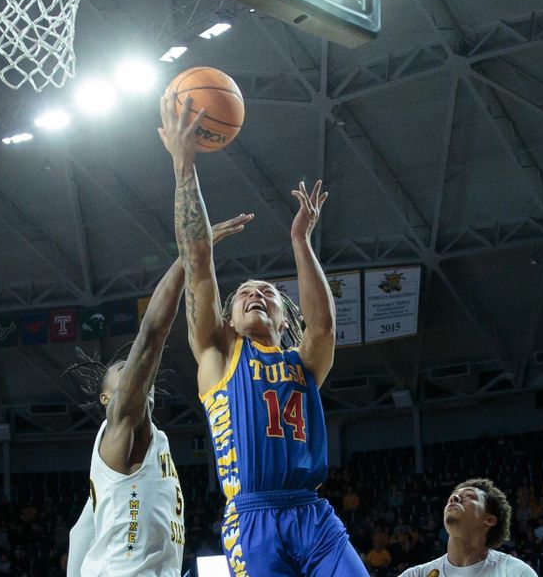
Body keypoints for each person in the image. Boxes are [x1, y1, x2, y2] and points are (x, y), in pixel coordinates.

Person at [158, 93, 367, 576]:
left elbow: (325, 325)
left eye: (269, 292)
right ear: (227, 319)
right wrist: (183, 167)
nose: (255, 294)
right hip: (252, 519)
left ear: (285, 321)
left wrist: (300, 240)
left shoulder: (305, 362)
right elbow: (198, 263)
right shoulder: (217, 356)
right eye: (244, 292)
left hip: (313, 515)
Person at [64, 212, 252, 576]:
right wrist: (190, 256)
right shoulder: (119, 429)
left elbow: (82, 534)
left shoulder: (152, 445)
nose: (134, 373)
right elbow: (151, 334)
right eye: (123, 371)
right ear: (107, 400)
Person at [399, 478, 537, 577]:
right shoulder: (416, 574)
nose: (455, 499)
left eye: (470, 496)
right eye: (453, 497)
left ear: (488, 520)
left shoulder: (514, 572)